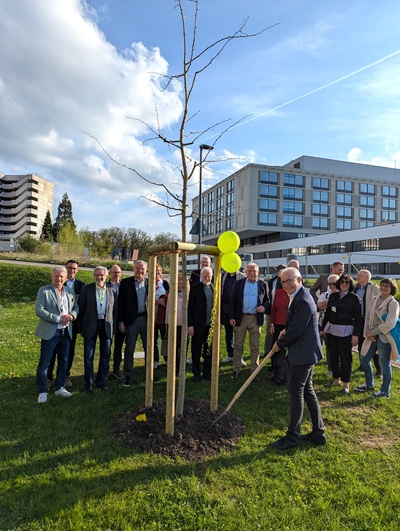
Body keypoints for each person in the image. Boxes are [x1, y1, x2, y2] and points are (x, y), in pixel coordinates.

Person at [269, 267, 325, 450]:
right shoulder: (298, 296)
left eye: (289, 281)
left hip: (303, 354)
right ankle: (318, 433)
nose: (286, 285)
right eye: (283, 282)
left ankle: (292, 438)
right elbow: (298, 323)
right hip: (305, 351)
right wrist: (286, 330)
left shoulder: (303, 300)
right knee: (307, 390)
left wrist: (280, 344)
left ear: (299, 280)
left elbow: (297, 330)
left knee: (296, 391)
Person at [34, 266, 79, 403]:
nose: (59, 279)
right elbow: (39, 310)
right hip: (51, 332)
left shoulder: (70, 291)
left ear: (65, 278)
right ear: (51, 277)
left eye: (61, 276)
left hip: (66, 332)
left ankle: (59, 387)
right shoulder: (44, 290)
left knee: (63, 361)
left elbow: (76, 307)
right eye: (56, 276)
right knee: (45, 363)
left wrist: (72, 315)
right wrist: (58, 318)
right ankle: (43, 390)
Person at [355, 278, 399, 398]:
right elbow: (368, 316)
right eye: (382, 285)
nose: (383, 288)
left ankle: (385, 391)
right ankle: (369, 384)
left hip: (385, 336)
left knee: (383, 362)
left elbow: (390, 323)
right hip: (372, 334)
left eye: (387, 286)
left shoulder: (393, 303)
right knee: (364, 358)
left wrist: (372, 332)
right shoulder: (375, 299)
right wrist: (367, 331)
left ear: (392, 289)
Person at [78, 266, 117, 392]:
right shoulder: (86, 289)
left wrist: (114, 327)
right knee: (89, 356)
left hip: (106, 325)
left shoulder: (112, 290)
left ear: (106, 276)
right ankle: (88, 383)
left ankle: (101, 381)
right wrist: (80, 327)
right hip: (90, 324)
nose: (99, 277)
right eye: (97, 275)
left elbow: (115, 311)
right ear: (93, 276)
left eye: (101, 275)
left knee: (105, 355)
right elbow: (81, 308)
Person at [229, 262, 270, 381]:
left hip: (255, 319)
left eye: (254, 271)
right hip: (240, 318)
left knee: (255, 346)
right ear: (245, 272)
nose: (252, 273)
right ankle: (236, 369)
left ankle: (254, 371)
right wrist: (232, 317)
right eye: (249, 271)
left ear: (258, 272)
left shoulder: (263, 284)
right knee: (238, 345)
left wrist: (264, 307)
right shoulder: (238, 284)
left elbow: (268, 301)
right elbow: (232, 301)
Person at [322, 273, 362, 394]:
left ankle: (346, 383)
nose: (344, 284)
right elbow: (328, 313)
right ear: (338, 283)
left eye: (347, 282)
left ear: (350, 284)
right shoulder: (333, 296)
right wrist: (322, 328)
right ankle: (336, 378)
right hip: (332, 330)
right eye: (342, 282)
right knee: (333, 355)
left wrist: (356, 335)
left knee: (345, 358)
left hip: (346, 331)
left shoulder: (354, 298)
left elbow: (358, 318)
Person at [47, 259, 85, 387]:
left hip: (72, 324)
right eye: (69, 268)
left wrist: (72, 316)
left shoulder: (82, 286)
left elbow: (80, 305)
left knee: (69, 351)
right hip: (55, 323)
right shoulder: (56, 283)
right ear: (65, 268)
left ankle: (65, 376)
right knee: (52, 350)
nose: (71, 270)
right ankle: (48, 377)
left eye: (74, 268)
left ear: (77, 270)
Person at [117, 260, 148, 387]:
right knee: (129, 348)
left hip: (146, 319)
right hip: (131, 320)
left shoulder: (149, 283)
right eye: (137, 268)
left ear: (145, 270)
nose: (140, 271)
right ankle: (128, 375)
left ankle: (149, 373)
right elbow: (120, 304)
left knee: (149, 348)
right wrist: (121, 321)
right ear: (133, 269)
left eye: (142, 269)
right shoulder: (125, 283)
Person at [188, 267, 215, 382]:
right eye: (204, 276)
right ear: (200, 276)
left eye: (209, 276)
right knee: (196, 350)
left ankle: (207, 372)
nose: (207, 278)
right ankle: (196, 373)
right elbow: (190, 308)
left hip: (210, 326)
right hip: (198, 325)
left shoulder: (214, 288)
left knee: (208, 350)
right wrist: (190, 325)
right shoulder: (195, 288)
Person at [354, 269, 381, 375]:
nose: (357, 277)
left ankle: (379, 370)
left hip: (370, 321)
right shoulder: (356, 287)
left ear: (366, 277)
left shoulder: (374, 288)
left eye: (359, 275)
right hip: (358, 320)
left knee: (373, 344)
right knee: (361, 344)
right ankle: (363, 365)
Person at [220, 270, 246, 366]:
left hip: (237, 309)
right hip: (225, 309)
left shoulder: (242, 276)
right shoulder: (223, 276)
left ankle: (239, 357)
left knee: (239, 334)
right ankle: (230, 354)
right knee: (228, 334)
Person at [165, 274, 189, 375]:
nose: (180, 282)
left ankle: (182, 366)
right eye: (178, 280)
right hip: (174, 324)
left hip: (185, 324)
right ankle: (174, 366)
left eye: (182, 280)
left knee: (184, 346)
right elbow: (168, 308)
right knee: (174, 346)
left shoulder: (188, 293)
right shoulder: (172, 293)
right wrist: (167, 322)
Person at [317, 274, 339, 376]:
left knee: (337, 349)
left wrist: (327, 303)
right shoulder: (325, 294)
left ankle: (338, 370)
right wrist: (327, 304)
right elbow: (319, 306)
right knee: (329, 348)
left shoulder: (342, 295)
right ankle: (331, 369)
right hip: (324, 324)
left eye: (334, 284)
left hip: (337, 325)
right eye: (330, 284)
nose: (332, 286)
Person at [107, 264, 125, 380]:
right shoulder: (105, 286)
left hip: (121, 320)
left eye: (118, 272)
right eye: (114, 272)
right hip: (108, 320)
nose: (116, 275)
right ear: (109, 273)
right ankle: (105, 369)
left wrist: (122, 321)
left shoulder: (124, 286)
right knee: (106, 346)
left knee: (118, 346)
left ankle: (116, 369)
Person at [263, 264, 286, 357]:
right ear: (277, 272)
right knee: (270, 331)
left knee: (282, 333)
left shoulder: (287, 282)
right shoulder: (272, 282)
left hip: (283, 313)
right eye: (282, 271)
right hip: (272, 310)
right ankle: (268, 351)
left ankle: (281, 353)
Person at [269, 285, 290, 384]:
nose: (286, 284)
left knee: (287, 349)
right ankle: (275, 368)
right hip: (277, 324)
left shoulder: (293, 294)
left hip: (288, 326)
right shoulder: (278, 292)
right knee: (275, 347)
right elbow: (274, 308)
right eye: (284, 282)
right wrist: (271, 323)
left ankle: (286, 372)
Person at [154, 263, 170, 369]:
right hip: (152, 315)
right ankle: (155, 359)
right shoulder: (148, 283)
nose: (157, 272)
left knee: (165, 337)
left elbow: (170, 295)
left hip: (163, 315)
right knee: (153, 338)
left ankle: (167, 358)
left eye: (158, 270)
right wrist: (156, 301)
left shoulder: (165, 283)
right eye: (155, 270)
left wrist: (164, 299)